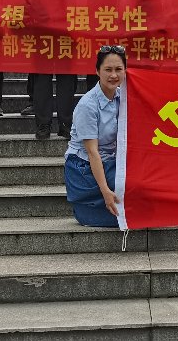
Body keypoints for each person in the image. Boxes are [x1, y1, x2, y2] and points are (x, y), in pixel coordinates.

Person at [15, 0, 87, 139]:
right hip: (40, 22)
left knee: (67, 76)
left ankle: (65, 123)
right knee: (42, 76)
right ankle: (43, 124)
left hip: (66, 23)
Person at [63, 45, 125, 228]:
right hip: (84, 167)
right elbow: (92, 153)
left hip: (110, 162)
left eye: (118, 69)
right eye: (108, 69)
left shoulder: (122, 97)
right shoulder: (87, 105)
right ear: (97, 71)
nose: (113, 75)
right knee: (129, 191)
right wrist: (105, 191)